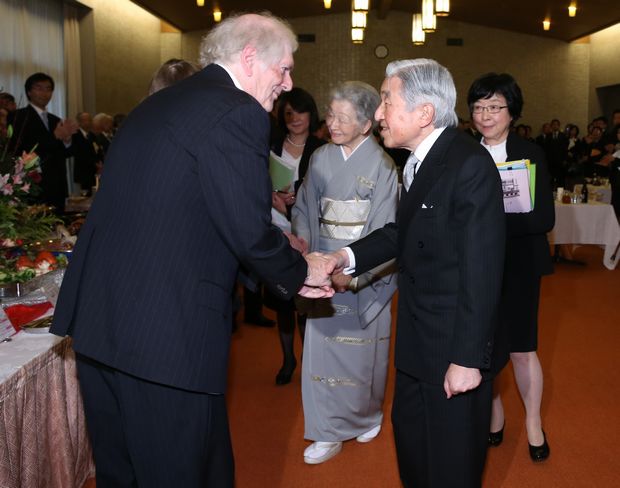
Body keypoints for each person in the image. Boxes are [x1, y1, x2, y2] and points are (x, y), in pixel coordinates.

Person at [50, 13, 333, 488]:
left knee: (122, 473)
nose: (287, 84)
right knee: (184, 471)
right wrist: (298, 271)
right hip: (166, 335)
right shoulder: (235, 110)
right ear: (248, 57)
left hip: (102, 325)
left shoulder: (158, 104)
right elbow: (246, 227)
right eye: (283, 68)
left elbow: (183, 210)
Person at [324, 59, 506, 487]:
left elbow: (483, 271)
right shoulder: (418, 160)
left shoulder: (468, 165)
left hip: (451, 352)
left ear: (424, 114)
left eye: (387, 101)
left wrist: (466, 359)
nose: (379, 113)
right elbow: (401, 233)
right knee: (415, 460)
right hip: (417, 347)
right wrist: (342, 258)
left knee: (450, 469)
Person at [292, 80, 398, 464]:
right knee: (321, 354)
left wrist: (353, 270)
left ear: (366, 124)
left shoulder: (384, 166)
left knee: (364, 356)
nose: (331, 123)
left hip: (361, 273)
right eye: (330, 115)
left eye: (342, 117)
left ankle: (367, 414)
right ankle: (326, 430)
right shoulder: (320, 158)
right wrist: (308, 252)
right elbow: (304, 208)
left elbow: (386, 229)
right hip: (323, 267)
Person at [467, 73, 555, 463]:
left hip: (519, 265)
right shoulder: (466, 154)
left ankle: (534, 422)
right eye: (479, 108)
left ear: (511, 112)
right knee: (485, 348)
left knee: (521, 348)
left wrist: (492, 220)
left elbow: (542, 219)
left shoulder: (530, 152)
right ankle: (495, 417)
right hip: (476, 266)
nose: (485, 115)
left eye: (494, 107)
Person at [268, 86, 326, 384]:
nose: (294, 117)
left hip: (307, 232)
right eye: (288, 112)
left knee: (305, 298)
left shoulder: (321, 148)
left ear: (311, 114)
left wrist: (299, 200)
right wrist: (271, 195)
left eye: (300, 111)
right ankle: (288, 358)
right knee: (283, 299)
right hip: (276, 228)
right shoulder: (271, 145)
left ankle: (308, 358)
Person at [8, 73, 78, 211]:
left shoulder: (55, 119)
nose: (45, 93)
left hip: (57, 185)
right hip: (34, 186)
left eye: (48, 89)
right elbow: (23, 150)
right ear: (29, 91)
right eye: (39, 88)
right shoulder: (18, 117)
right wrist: (55, 136)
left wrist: (67, 140)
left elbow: (66, 153)